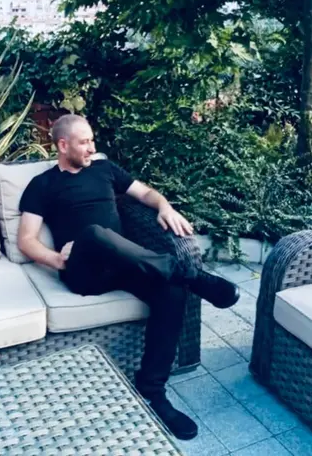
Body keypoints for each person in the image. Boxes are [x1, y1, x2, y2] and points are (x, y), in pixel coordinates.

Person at [18, 114, 240, 441]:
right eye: (84, 142)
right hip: (83, 272)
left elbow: (146, 193)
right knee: (93, 233)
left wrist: (165, 207)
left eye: (92, 140)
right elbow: (26, 239)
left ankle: (153, 390)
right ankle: (192, 274)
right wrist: (57, 259)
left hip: (124, 265)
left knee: (172, 292)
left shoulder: (104, 169)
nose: (91, 147)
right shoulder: (43, 185)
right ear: (63, 145)